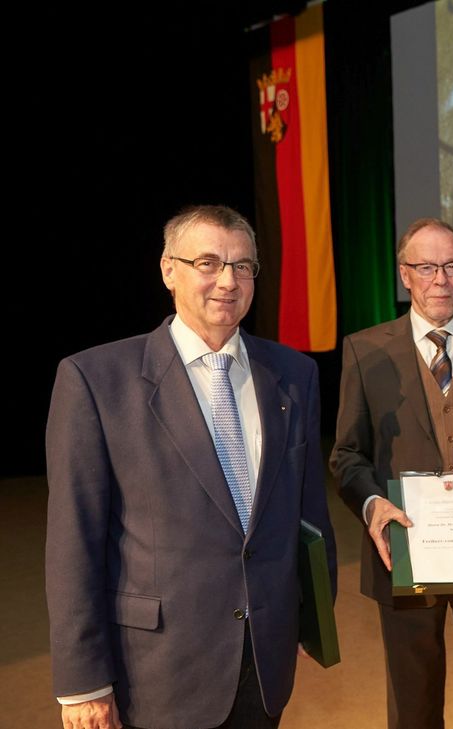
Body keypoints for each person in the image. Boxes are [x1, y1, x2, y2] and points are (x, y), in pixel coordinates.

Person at [45, 205, 336, 729]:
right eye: (208, 262)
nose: (228, 280)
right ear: (168, 270)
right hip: (156, 671)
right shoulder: (95, 380)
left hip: (263, 661)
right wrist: (82, 681)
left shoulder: (294, 374)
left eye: (243, 266)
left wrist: (308, 620)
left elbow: (309, 514)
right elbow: (72, 543)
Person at [330, 218, 453, 729]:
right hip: (403, 552)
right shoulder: (365, 350)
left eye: (452, 266)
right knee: (413, 704)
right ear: (404, 274)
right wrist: (374, 506)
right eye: (426, 267)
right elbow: (347, 455)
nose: (440, 279)